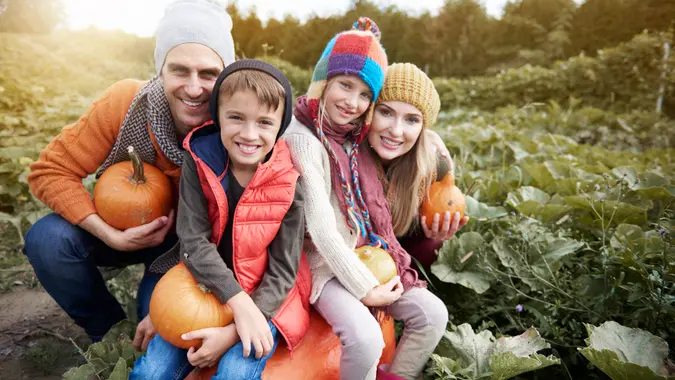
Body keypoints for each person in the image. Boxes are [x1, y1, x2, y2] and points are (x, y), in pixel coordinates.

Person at [22, 0, 235, 345]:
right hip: (119, 226)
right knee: (49, 240)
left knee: (167, 330)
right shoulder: (126, 103)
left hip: (188, 250)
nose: (194, 88)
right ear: (160, 71)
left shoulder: (237, 127)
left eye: (209, 73)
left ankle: (148, 317)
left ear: (225, 76)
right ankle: (107, 332)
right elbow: (49, 171)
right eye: (179, 70)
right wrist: (108, 234)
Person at [283, 17, 447, 380]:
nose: (353, 102)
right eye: (345, 85)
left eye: (365, 96)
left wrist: (440, 151)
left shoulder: (351, 135)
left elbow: (423, 143)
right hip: (324, 269)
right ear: (323, 80)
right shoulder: (303, 140)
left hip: (367, 255)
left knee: (433, 314)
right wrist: (364, 288)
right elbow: (322, 229)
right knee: (366, 339)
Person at [130, 59, 310, 380]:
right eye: (236, 118)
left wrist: (234, 329)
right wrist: (174, 310)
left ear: (280, 126)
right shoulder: (198, 161)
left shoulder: (289, 182)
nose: (249, 134)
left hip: (264, 295)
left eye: (265, 123)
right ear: (218, 117)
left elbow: (284, 269)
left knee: (233, 373)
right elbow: (193, 241)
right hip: (204, 284)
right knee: (152, 373)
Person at [366, 63, 470, 269]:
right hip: (355, 253)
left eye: (411, 120)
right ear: (369, 111)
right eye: (386, 112)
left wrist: (436, 231)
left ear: (423, 127)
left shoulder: (434, 165)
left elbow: (441, 206)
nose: (396, 130)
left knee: (430, 245)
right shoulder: (347, 153)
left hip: (401, 250)